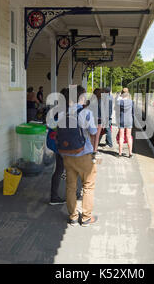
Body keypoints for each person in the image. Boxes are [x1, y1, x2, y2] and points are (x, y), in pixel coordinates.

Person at [60, 85, 98, 227]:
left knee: (70, 186)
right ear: (81, 97)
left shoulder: (63, 113)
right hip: (83, 154)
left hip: (67, 155)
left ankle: (73, 217)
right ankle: (86, 217)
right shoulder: (86, 112)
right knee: (88, 185)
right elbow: (93, 131)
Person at [48, 88, 82, 206]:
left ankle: (54, 196)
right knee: (70, 171)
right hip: (68, 146)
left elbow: (51, 125)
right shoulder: (70, 110)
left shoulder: (58, 109)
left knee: (60, 170)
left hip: (59, 144)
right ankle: (73, 195)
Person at [116, 91, 134, 158]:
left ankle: (120, 153)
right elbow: (133, 112)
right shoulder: (131, 102)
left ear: (122, 94)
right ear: (128, 94)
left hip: (121, 120)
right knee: (129, 137)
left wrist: (119, 97)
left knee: (121, 137)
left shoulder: (119, 102)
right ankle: (130, 153)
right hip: (129, 120)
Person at [91, 88, 103, 153]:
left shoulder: (91, 100)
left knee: (92, 136)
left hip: (93, 120)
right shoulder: (101, 101)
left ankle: (92, 150)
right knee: (97, 136)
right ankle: (95, 150)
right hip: (99, 120)